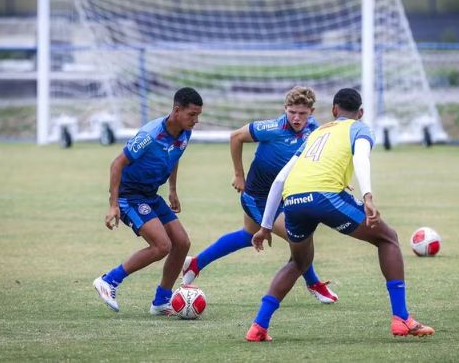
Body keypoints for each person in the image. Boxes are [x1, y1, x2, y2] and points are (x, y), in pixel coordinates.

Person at [246, 88, 435, 341]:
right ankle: (401, 318)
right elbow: (361, 159)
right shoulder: (359, 128)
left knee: (298, 262)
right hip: (325, 195)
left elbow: (281, 179)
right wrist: (367, 195)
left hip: (292, 200)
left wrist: (266, 225)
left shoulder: (316, 133)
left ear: (334, 111)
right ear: (360, 113)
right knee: (387, 238)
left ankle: (258, 326)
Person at [181, 86, 338, 303]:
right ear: (285, 109)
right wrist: (238, 175)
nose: (296, 117)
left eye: (302, 113)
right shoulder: (272, 128)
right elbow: (235, 137)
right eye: (292, 112)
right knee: (297, 236)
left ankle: (196, 263)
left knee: (247, 235)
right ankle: (314, 284)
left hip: (284, 196)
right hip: (257, 197)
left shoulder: (314, 129)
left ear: (311, 111)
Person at [93, 87, 203, 315]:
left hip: (150, 195)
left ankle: (161, 301)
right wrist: (113, 205)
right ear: (176, 111)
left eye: (198, 115)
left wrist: (172, 189)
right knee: (162, 245)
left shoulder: (184, 132)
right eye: (192, 115)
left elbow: (175, 156)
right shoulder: (150, 135)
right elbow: (117, 164)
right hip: (129, 196)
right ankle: (109, 281)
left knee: (182, 243)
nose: (196, 120)